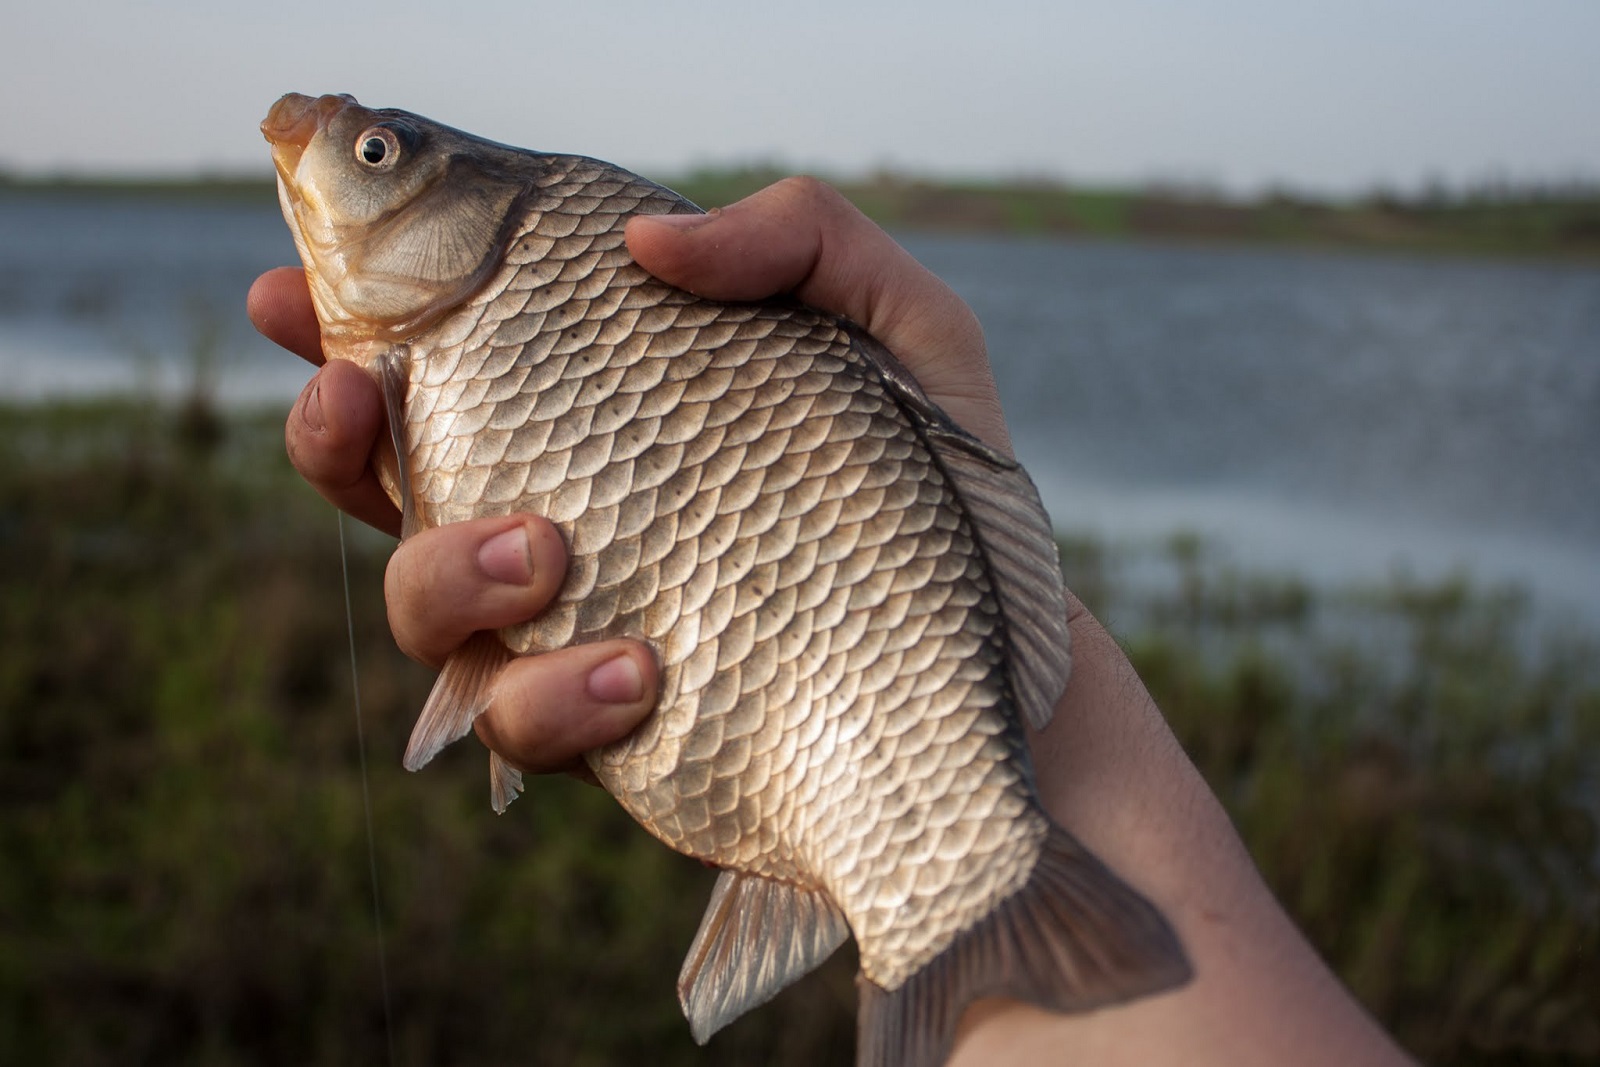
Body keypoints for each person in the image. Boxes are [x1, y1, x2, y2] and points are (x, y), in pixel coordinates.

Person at [248, 177, 1414, 1066]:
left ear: (464, 211)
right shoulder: (436, 323)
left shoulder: (577, 241)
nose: (349, 163)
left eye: (378, 154)